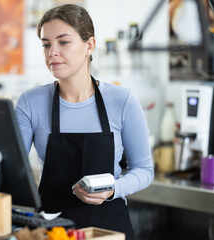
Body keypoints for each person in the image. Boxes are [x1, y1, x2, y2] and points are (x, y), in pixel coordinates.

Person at [14, 4, 154, 239]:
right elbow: (13, 170)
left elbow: (144, 170)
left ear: (90, 45)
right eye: (46, 44)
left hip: (109, 230)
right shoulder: (30, 102)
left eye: (63, 42)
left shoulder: (122, 100)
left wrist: (113, 190)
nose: (52, 52)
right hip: (52, 230)